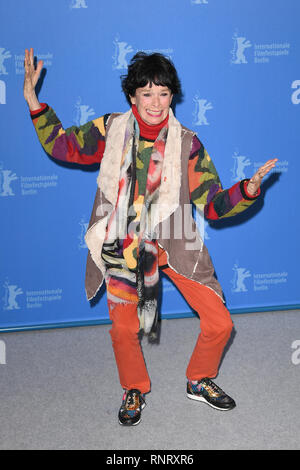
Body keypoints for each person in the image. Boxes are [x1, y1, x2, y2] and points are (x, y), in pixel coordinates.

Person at [24, 47, 277, 426]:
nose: (155, 103)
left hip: (175, 240)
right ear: (132, 96)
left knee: (221, 322)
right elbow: (63, 144)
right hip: (123, 244)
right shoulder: (111, 129)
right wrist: (33, 102)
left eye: (163, 93)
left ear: (172, 95)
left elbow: (213, 205)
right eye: (146, 93)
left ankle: (199, 379)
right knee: (124, 328)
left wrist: (249, 190)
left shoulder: (188, 143)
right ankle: (133, 388)